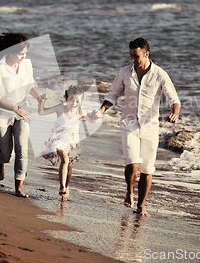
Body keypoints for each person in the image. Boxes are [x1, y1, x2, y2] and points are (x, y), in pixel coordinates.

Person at [94, 37, 180, 216]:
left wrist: (175, 112)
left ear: (146, 54)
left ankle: (141, 206)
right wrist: (102, 110)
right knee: (133, 163)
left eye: (136, 56)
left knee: (147, 169)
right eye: (131, 55)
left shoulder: (160, 74)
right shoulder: (125, 72)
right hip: (129, 124)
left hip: (150, 126)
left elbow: (173, 98)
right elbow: (113, 95)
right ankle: (129, 191)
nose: (133, 59)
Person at [0, 31, 42, 198]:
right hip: (1, 114)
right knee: (7, 154)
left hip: (23, 112)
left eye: (25, 53)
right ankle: (0, 160)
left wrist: (38, 97)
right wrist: (14, 108)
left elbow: (29, 84)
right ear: (9, 51)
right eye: (20, 54)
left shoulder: (26, 64)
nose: (23, 57)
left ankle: (18, 187)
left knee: (22, 150)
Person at [38, 85, 98, 201]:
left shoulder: (80, 112)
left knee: (69, 166)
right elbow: (41, 112)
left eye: (77, 101)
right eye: (71, 100)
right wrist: (42, 101)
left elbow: (92, 120)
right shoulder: (60, 108)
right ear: (66, 99)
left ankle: (67, 186)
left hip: (72, 143)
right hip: (58, 140)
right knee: (64, 159)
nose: (74, 103)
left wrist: (95, 116)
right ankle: (62, 187)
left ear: (81, 101)